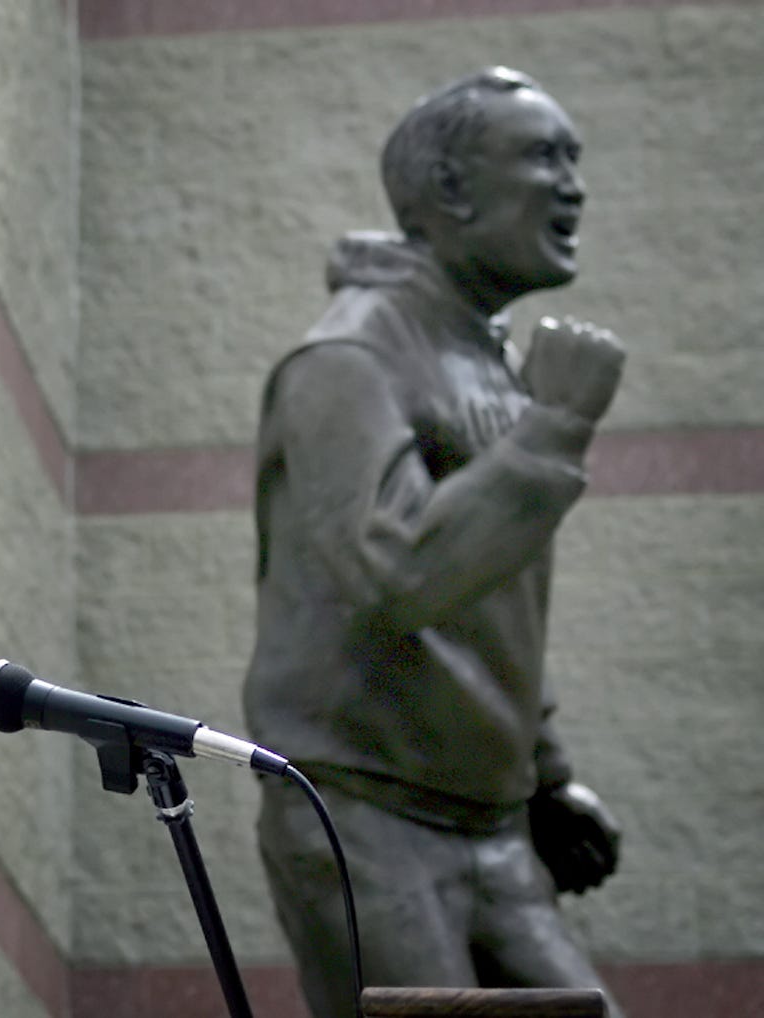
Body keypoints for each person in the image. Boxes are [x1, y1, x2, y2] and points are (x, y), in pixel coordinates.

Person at [243, 68, 627, 1018]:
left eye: (574, 158)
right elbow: (401, 574)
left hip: (492, 826)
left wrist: (545, 774)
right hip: (367, 817)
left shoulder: (478, 355)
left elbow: (487, 594)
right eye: (545, 157)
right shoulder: (348, 357)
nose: (573, 184)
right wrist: (554, 430)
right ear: (451, 190)